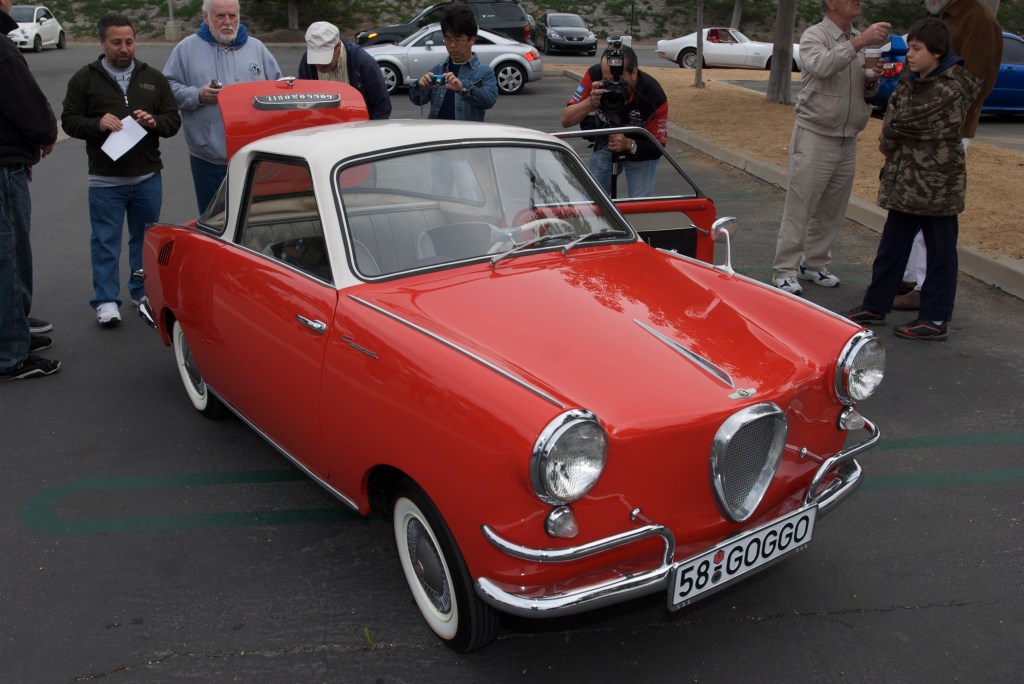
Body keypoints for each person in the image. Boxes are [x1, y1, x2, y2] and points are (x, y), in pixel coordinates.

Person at [843, 17, 981, 341]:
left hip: (937, 186)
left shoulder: (954, 85)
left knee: (940, 253)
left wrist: (895, 128)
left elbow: (910, 122)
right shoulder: (910, 79)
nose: (910, 55)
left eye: (917, 49)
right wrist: (895, 128)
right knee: (892, 247)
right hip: (905, 181)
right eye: (910, 49)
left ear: (935, 51)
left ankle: (934, 318)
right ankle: (875, 305)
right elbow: (893, 121)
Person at [61, 12, 181, 326]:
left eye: (129, 41)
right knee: (104, 241)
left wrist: (155, 122)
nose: (124, 48)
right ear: (102, 43)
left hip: (147, 178)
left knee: (144, 240)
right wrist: (96, 123)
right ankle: (105, 301)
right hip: (105, 180)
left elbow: (173, 120)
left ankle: (141, 293)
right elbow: (70, 121)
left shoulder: (152, 78)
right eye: (116, 43)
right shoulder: (84, 79)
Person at [770, 0, 891, 295]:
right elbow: (821, 67)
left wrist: (873, 79)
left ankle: (813, 263)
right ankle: (784, 270)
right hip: (815, 133)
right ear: (831, 3)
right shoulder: (815, 36)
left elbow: (865, 88)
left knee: (833, 208)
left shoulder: (857, 39)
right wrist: (861, 42)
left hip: (848, 136)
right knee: (802, 205)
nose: (858, 2)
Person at [894, 0, 1003, 312]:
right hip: (920, 130)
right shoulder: (937, 14)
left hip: (949, 131)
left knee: (934, 209)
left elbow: (978, 79)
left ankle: (927, 286)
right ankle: (911, 276)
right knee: (915, 204)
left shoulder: (978, 18)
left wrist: (941, 115)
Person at [163, 0, 281, 212]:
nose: (228, 22)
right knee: (214, 221)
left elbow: (278, 89)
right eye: (220, 16)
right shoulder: (186, 49)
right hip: (209, 159)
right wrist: (197, 95)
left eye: (232, 16)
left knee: (255, 218)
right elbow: (167, 89)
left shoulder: (257, 49)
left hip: (253, 157)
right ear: (205, 17)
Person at [0, 0, 60, 380]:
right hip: (4, 167)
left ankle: (15, 332)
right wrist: (45, 133)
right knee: (7, 256)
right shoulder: (3, 50)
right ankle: (10, 354)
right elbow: (26, 103)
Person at [560, 43, 668, 198]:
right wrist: (590, 102)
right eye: (607, 80)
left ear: (634, 73)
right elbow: (565, 120)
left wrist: (628, 144)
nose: (614, 86)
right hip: (607, 143)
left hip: (640, 149)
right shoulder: (593, 75)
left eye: (620, 80)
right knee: (590, 199)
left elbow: (659, 147)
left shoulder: (653, 96)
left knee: (641, 205)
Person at [408, 3, 497, 122]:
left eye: (458, 39)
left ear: (472, 40)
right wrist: (421, 86)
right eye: (447, 39)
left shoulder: (484, 72)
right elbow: (417, 99)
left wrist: (462, 88)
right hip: (439, 135)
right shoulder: (437, 70)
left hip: (467, 136)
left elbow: (489, 100)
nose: (452, 45)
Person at [297, 21, 392, 120]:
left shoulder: (363, 62)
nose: (319, 67)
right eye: (315, 60)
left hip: (357, 128)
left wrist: (367, 132)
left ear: (338, 47)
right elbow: (303, 99)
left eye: (325, 61)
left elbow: (383, 106)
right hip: (323, 128)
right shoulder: (306, 61)